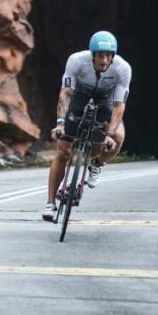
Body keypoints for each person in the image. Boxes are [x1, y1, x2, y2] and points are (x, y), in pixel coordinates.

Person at [42, 30, 132, 221]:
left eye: (109, 56)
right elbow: (66, 93)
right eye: (100, 55)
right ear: (92, 54)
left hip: (106, 100)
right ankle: (50, 203)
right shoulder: (76, 61)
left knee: (118, 137)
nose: (104, 60)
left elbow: (119, 105)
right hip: (79, 96)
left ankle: (97, 164)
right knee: (63, 152)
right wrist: (60, 124)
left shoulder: (123, 68)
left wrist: (109, 134)